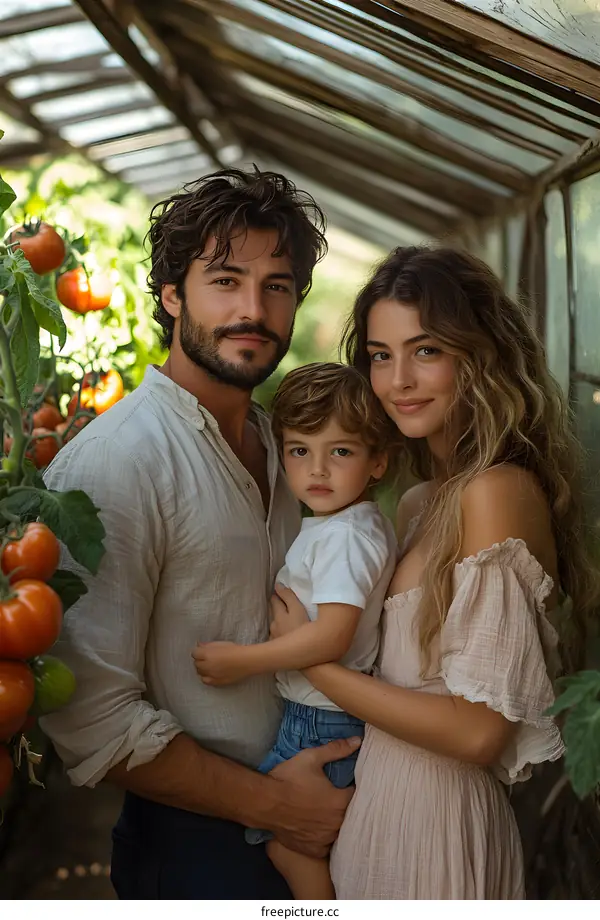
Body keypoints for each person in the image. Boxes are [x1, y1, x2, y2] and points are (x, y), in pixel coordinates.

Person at [39, 168, 360, 900]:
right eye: (225, 280)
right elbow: (92, 716)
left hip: (307, 816)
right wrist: (283, 808)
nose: (253, 309)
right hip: (200, 845)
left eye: (277, 285)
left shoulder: (287, 449)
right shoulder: (118, 463)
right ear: (172, 295)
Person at [268, 246, 600, 899]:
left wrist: (317, 664)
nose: (397, 382)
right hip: (377, 811)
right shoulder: (424, 500)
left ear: (479, 356)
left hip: (438, 827)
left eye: (425, 351)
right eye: (380, 355)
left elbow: (478, 732)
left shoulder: (495, 492)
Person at [193, 362, 399, 898]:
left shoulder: (345, 539)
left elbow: (331, 636)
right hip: (324, 712)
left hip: (322, 721)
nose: (317, 470)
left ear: (378, 460)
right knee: (296, 844)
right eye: (300, 450)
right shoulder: (348, 524)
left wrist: (243, 660)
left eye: (342, 452)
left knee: (294, 845)